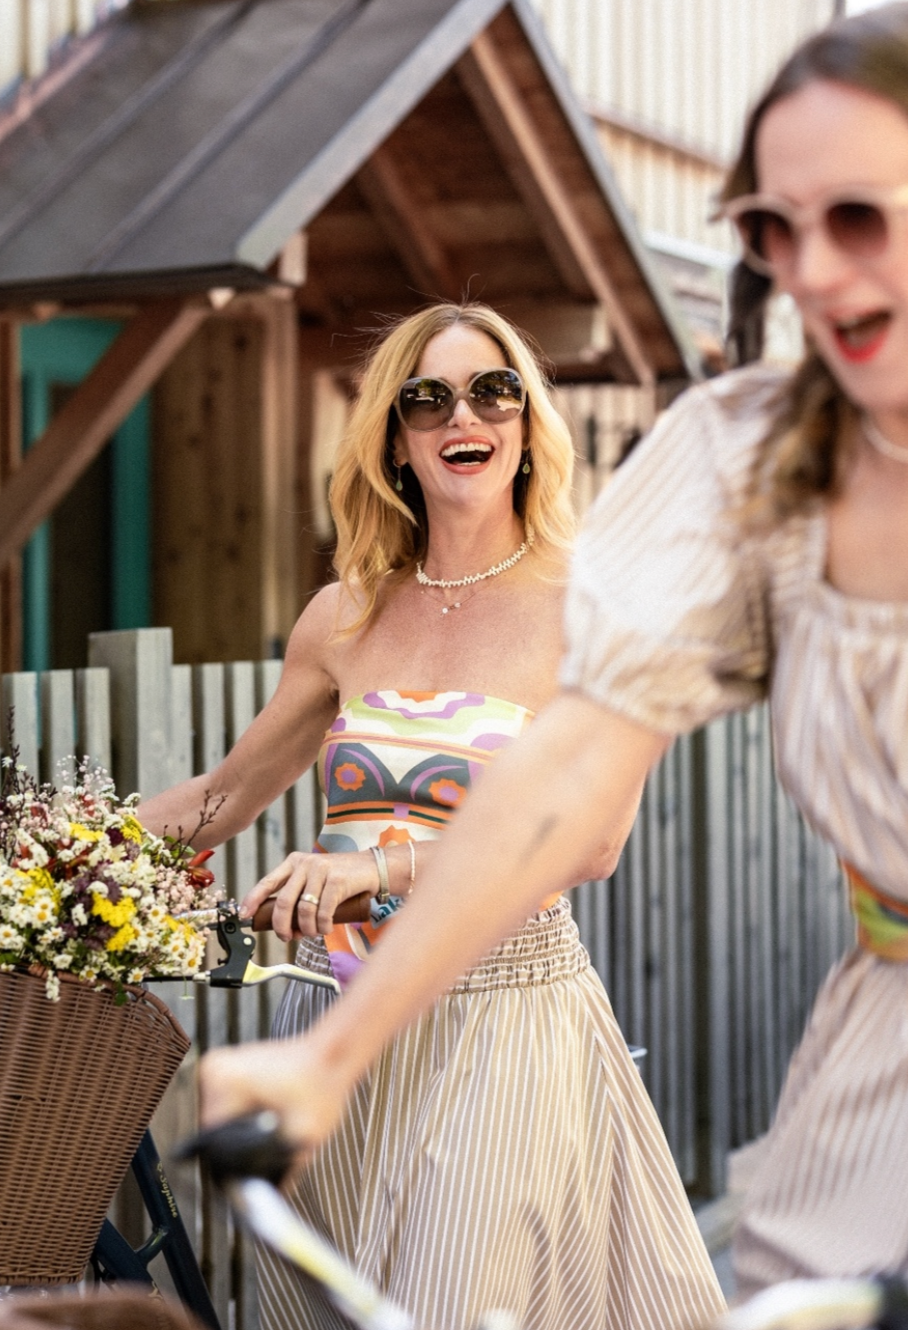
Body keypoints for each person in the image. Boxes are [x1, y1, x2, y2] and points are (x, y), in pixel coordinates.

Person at [198, 2, 908, 1303]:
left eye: (858, 217)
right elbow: (569, 782)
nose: (811, 269)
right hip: (884, 1023)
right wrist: (332, 1051)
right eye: (774, 229)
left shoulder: (585, 574)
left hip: (528, 1020)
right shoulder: (737, 454)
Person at [140, 302, 724, 1330]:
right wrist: (52, 861)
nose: (467, 412)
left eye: (495, 388)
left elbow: (591, 839)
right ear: (396, 442)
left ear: (530, 422)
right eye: (429, 397)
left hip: (499, 1021)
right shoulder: (347, 613)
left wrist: (385, 868)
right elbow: (219, 800)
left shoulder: (603, 608)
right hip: (329, 1018)